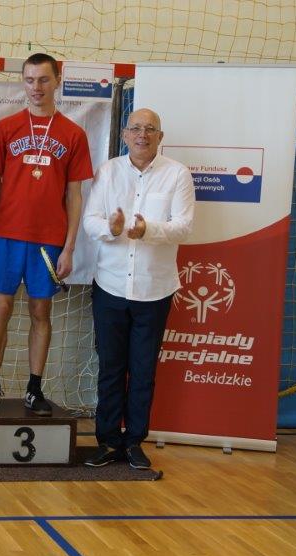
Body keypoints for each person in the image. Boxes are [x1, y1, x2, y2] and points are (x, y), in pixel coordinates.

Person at [0, 53, 93, 416]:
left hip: (48, 240)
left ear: (57, 81)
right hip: (7, 236)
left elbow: (74, 195)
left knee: (41, 310)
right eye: (29, 80)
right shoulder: (5, 128)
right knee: (1, 308)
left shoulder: (73, 134)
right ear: (22, 82)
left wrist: (69, 247)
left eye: (43, 80)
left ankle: (34, 388)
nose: (36, 87)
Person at [82, 108, 195, 469]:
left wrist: (148, 230)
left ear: (160, 137)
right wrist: (112, 229)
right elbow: (90, 221)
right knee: (110, 368)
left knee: (143, 370)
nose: (142, 135)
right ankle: (107, 441)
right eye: (135, 129)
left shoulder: (177, 174)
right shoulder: (108, 171)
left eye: (150, 129)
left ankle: (134, 442)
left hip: (154, 290)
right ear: (125, 135)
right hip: (110, 285)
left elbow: (184, 227)